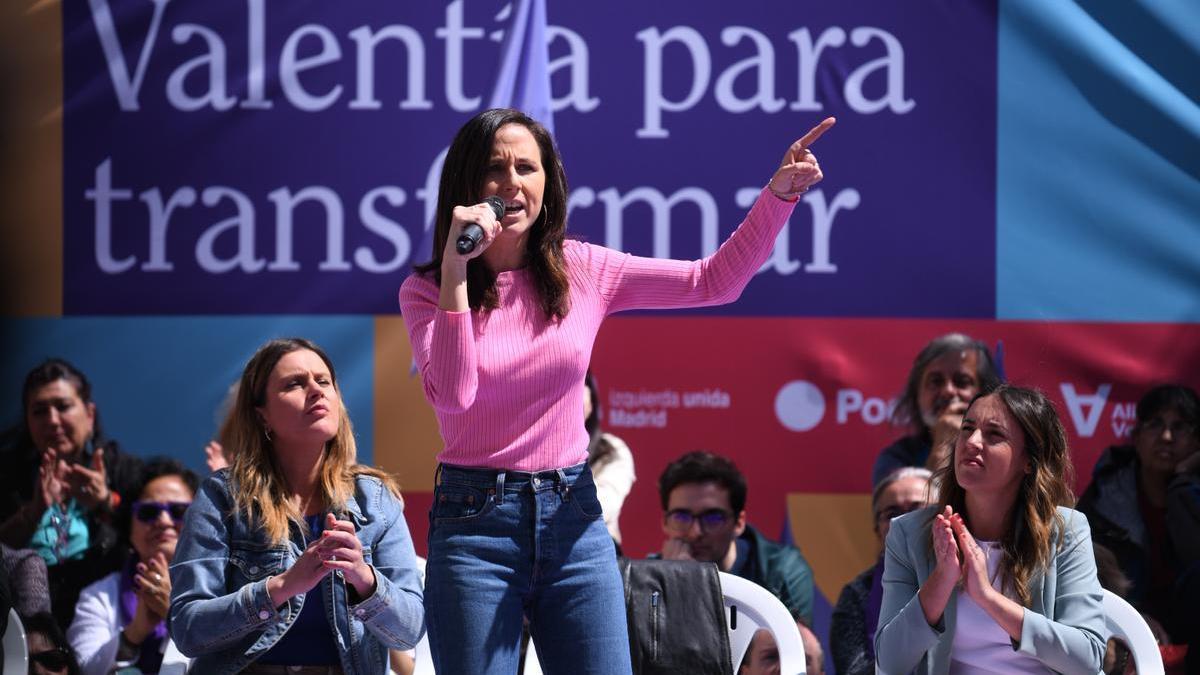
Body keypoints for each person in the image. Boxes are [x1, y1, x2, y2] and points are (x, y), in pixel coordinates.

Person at [398, 107, 834, 674]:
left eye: (527, 168)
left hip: (572, 515)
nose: (511, 183)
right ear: (464, 184)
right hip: (475, 521)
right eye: (494, 169)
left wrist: (778, 196)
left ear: (547, 184)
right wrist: (458, 269)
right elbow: (455, 395)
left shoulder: (583, 268)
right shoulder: (427, 290)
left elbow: (713, 281)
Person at [168, 338, 424, 675]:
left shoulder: (375, 499)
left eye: (323, 381)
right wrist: (283, 586)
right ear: (262, 415)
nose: (316, 391)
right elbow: (189, 629)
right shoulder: (223, 498)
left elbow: (409, 631)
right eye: (294, 384)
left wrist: (364, 579)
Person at [875, 385, 1107, 674]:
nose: (972, 441)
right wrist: (942, 580)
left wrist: (988, 598)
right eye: (967, 428)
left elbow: (1088, 658)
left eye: (994, 434)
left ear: (1028, 461)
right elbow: (890, 663)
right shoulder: (910, 534)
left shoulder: (1066, 530)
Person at [0, 359, 142, 629]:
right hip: (21, 630)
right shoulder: (8, 478)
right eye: (40, 411)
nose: (52, 421)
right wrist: (32, 514)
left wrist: (106, 503)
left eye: (63, 407)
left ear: (89, 415)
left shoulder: (122, 472)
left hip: (105, 625)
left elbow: (158, 534)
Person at [1077, 384, 1199, 667]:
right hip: (1124, 627)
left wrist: (1184, 484)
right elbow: (1085, 578)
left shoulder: (1192, 493)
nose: (1166, 437)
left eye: (1180, 427)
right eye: (1155, 424)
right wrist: (1133, 618)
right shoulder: (1105, 495)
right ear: (1137, 435)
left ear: (1197, 442)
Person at [67, 458, 197, 675]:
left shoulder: (226, 585)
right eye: (148, 512)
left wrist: (175, 615)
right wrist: (133, 634)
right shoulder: (100, 595)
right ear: (130, 529)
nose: (164, 521)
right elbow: (79, 669)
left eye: (179, 511)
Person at [657, 451, 815, 624]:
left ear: (739, 523)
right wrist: (673, 586)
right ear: (665, 522)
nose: (696, 532)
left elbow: (800, 648)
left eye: (713, 518)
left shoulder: (781, 570)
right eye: (681, 517)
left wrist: (694, 586)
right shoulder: (649, 579)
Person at [830, 467, 933, 675]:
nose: (904, 521)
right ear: (877, 531)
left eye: (916, 509)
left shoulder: (970, 578)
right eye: (892, 514)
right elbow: (853, 671)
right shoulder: (857, 594)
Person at [871, 333, 1001, 486]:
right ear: (917, 395)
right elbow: (918, 509)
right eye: (936, 381)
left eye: (962, 382)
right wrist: (943, 446)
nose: (948, 391)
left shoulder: (1001, 449)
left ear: (985, 392)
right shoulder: (897, 458)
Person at [583, 371, 635, 547]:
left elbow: (601, 507)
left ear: (592, 400)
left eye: (579, 387)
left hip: (595, 552)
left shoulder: (612, 449)